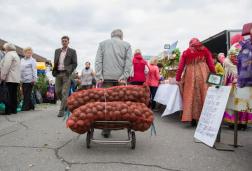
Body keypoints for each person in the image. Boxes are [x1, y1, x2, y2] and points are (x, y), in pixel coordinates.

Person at [95, 29, 132, 138]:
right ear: (121, 36)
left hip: (106, 78)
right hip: (120, 79)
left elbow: (98, 61)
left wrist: (99, 76)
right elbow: (128, 62)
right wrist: (124, 76)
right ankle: (118, 124)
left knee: (106, 104)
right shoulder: (127, 45)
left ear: (111, 35)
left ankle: (106, 128)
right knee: (119, 103)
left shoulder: (102, 44)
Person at [176, 38, 215, 126]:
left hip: (190, 75)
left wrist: (178, 78)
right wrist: (214, 74)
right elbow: (211, 64)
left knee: (190, 95)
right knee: (203, 94)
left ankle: (192, 119)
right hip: (203, 73)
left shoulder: (186, 52)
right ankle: (204, 118)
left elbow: (180, 67)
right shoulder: (205, 50)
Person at [52, 36, 77, 117]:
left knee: (64, 92)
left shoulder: (72, 51)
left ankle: (61, 110)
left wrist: (69, 71)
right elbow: (55, 61)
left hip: (67, 74)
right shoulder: (57, 51)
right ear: (61, 42)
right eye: (63, 41)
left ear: (68, 42)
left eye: (65, 41)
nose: (64, 42)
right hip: (58, 73)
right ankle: (66, 104)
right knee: (57, 91)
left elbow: (75, 63)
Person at [0, 43, 20, 115]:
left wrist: (2, 76)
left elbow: (6, 67)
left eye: (5, 48)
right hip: (15, 79)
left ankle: (8, 111)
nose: (4, 49)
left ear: (7, 48)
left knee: (8, 95)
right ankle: (13, 110)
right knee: (13, 95)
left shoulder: (9, 55)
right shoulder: (16, 55)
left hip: (10, 78)